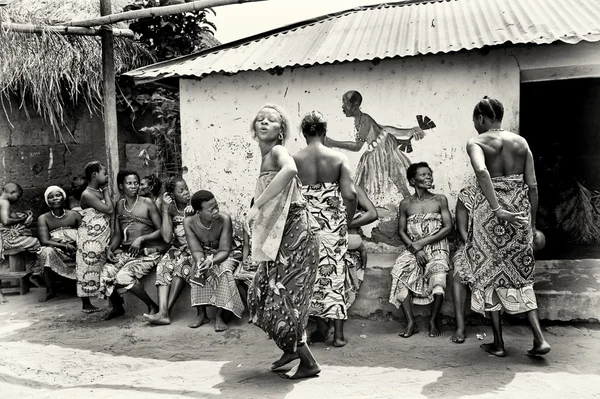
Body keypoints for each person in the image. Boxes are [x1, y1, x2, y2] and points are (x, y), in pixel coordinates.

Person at [465, 96, 550, 357]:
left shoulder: (476, 142)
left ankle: (499, 344)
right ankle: (539, 339)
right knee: (520, 276)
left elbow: (482, 172)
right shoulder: (521, 142)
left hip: (490, 220)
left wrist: (496, 209)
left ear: (481, 118)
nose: (475, 126)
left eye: (475, 121)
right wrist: (532, 224)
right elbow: (533, 186)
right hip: (520, 216)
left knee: (489, 275)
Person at [247, 104, 321, 380]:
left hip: (296, 233)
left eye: (272, 121)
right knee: (262, 290)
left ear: (281, 132)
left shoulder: (278, 152)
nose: (264, 123)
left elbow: (290, 170)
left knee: (283, 296)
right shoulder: (265, 155)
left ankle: (309, 363)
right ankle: (290, 349)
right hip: (281, 235)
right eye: (260, 120)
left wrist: (257, 206)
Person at [295, 111, 357, 348]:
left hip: (306, 226)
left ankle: (320, 330)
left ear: (304, 133)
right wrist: (345, 220)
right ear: (324, 131)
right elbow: (350, 195)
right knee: (334, 275)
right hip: (333, 226)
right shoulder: (339, 158)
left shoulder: (294, 159)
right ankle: (338, 335)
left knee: (310, 276)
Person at [326, 90, 425, 207]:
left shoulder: (364, 119)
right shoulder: (360, 119)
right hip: (376, 151)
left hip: (382, 150)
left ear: (355, 106)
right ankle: (359, 208)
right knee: (366, 183)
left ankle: (412, 206)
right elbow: (383, 128)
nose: (343, 107)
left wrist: (332, 142)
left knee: (395, 178)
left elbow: (357, 146)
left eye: (346, 103)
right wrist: (408, 131)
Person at [389, 162, 452, 338]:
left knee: (438, 274)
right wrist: (416, 250)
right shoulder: (405, 203)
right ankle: (411, 323)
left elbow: (448, 228)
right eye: (423, 175)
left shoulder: (440, 199)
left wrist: (422, 243)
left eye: (429, 174)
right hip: (413, 249)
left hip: (437, 246)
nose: (428, 177)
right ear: (412, 180)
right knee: (398, 272)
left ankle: (433, 320)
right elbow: (401, 231)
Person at [100, 170, 166, 320]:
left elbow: (161, 230)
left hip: (147, 252)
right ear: (121, 186)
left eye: (136, 183)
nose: (133, 186)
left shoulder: (147, 203)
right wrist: (110, 248)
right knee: (105, 272)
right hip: (127, 252)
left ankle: (152, 306)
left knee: (123, 277)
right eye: (129, 183)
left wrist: (141, 239)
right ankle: (118, 308)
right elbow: (117, 234)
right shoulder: (119, 205)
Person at [184, 190, 244, 331]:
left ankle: (220, 315)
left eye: (216, 206)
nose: (216, 211)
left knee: (223, 271)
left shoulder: (224, 219)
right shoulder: (189, 222)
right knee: (196, 268)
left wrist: (211, 262)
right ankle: (201, 314)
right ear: (198, 212)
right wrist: (200, 261)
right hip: (204, 253)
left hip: (227, 254)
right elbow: (196, 251)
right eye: (211, 209)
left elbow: (224, 250)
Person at [144, 177, 192, 325]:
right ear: (172, 195)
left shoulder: (194, 205)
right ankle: (162, 312)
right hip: (177, 249)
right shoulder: (170, 209)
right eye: (181, 191)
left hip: (194, 250)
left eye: (186, 189)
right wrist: (165, 210)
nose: (186, 193)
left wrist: (193, 215)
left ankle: (165, 313)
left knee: (181, 268)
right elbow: (166, 237)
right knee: (163, 266)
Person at [76, 161, 113, 313]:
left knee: (102, 266)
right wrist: (106, 192)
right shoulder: (87, 194)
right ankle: (86, 304)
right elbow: (109, 209)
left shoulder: (97, 191)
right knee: (88, 267)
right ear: (94, 175)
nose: (107, 176)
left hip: (101, 235)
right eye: (104, 173)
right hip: (90, 237)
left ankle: (109, 299)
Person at [36, 185, 82, 302]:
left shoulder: (74, 215)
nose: (55, 198)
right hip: (57, 250)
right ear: (47, 201)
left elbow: (85, 234)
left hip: (76, 248)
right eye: (51, 197)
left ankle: (86, 285)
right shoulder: (44, 218)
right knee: (45, 251)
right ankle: (50, 291)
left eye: (58, 195)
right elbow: (44, 241)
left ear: (63, 197)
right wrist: (64, 245)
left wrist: (76, 244)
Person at [449, 185, 477, 344]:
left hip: (496, 247)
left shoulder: (504, 193)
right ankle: (460, 327)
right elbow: (462, 229)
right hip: (469, 245)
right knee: (459, 274)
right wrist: (474, 248)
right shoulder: (467, 194)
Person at [345, 185, 378, 308]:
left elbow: (373, 214)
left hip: (348, 243)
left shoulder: (354, 189)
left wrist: (343, 225)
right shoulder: (317, 189)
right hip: (346, 243)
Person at [0, 183, 41, 265]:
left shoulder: (2, 202)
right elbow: (5, 221)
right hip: (7, 240)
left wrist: (23, 213)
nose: (18, 199)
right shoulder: (5, 202)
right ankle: (36, 268)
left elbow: (9, 215)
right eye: (18, 196)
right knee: (35, 241)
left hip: (5, 238)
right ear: (12, 192)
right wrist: (22, 219)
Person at [234, 198, 258, 310]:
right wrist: (244, 262)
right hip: (251, 258)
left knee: (259, 280)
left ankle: (259, 309)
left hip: (265, 261)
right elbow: (246, 246)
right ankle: (251, 309)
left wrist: (259, 263)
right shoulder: (248, 224)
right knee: (236, 280)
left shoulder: (271, 224)